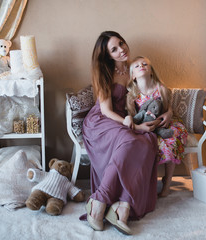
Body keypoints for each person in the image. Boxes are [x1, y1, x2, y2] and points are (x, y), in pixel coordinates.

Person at [81, 31, 160, 235]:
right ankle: (98, 201)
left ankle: (122, 206)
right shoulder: (104, 72)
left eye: (121, 43)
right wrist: (133, 125)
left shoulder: (135, 66)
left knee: (149, 140)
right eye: (114, 49)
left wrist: (166, 113)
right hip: (101, 121)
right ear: (107, 55)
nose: (121, 49)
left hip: (126, 120)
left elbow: (156, 90)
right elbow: (106, 110)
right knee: (129, 139)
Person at [126, 56, 188, 198]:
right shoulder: (132, 95)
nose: (141, 66)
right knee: (148, 144)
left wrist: (168, 115)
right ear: (133, 76)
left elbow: (168, 109)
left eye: (144, 64)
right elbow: (133, 116)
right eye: (136, 66)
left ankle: (167, 183)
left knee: (171, 139)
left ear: (151, 71)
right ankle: (147, 182)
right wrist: (141, 126)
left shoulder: (161, 89)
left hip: (164, 124)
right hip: (145, 127)